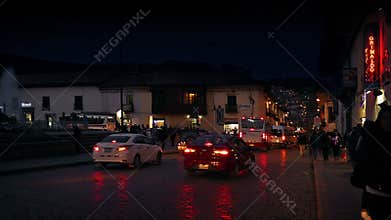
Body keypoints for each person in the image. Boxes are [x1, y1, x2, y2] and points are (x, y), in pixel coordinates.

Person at [353, 106, 391, 219]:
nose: (388, 121)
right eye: (385, 118)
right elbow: (362, 161)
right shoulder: (372, 138)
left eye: (390, 118)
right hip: (375, 192)